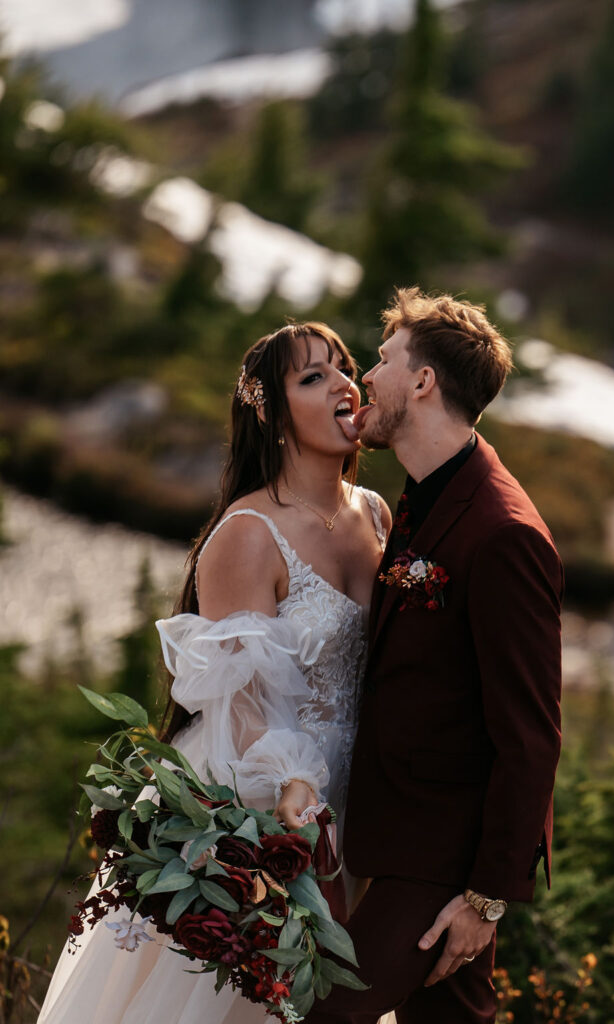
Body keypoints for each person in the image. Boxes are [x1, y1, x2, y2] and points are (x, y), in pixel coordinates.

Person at [38, 322, 391, 1024]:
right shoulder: (246, 535)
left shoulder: (375, 514)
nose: (343, 384)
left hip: (356, 809)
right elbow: (238, 708)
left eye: (344, 367)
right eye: (312, 377)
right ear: (271, 411)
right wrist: (295, 783)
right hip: (259, 799)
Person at [305, 288, 564, 1024]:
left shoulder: (502, 533)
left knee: (326, 1016)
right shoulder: (423, 496)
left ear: (422, 382)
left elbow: (530, 735)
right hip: (399, 839)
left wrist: (483, 900)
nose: (366, 379)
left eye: (382, 360)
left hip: (442, 866)